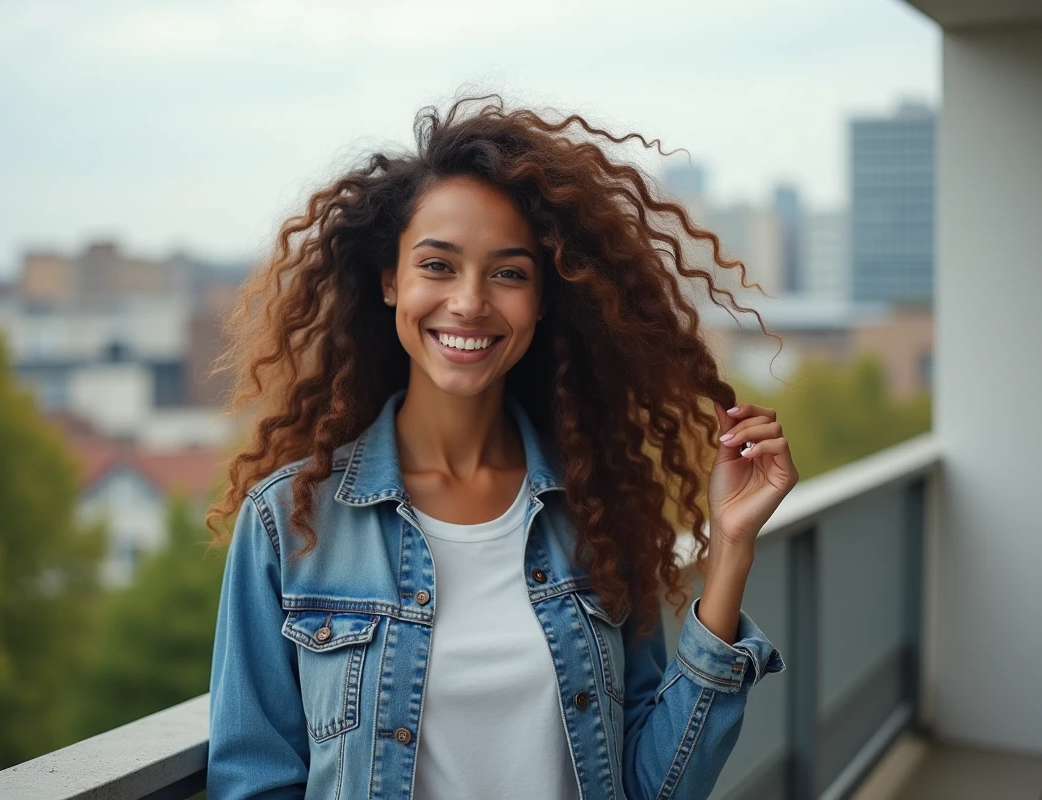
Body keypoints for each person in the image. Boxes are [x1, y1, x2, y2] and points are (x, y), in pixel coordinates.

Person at [206, 95, 797, 800]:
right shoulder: (290, 524)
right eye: (438, 265)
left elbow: (653, 788)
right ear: (392, 281)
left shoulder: (598, 511)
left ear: (544, 297)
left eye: (509, 273)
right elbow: (254, 782)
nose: (469, 302)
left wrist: (730, 550)